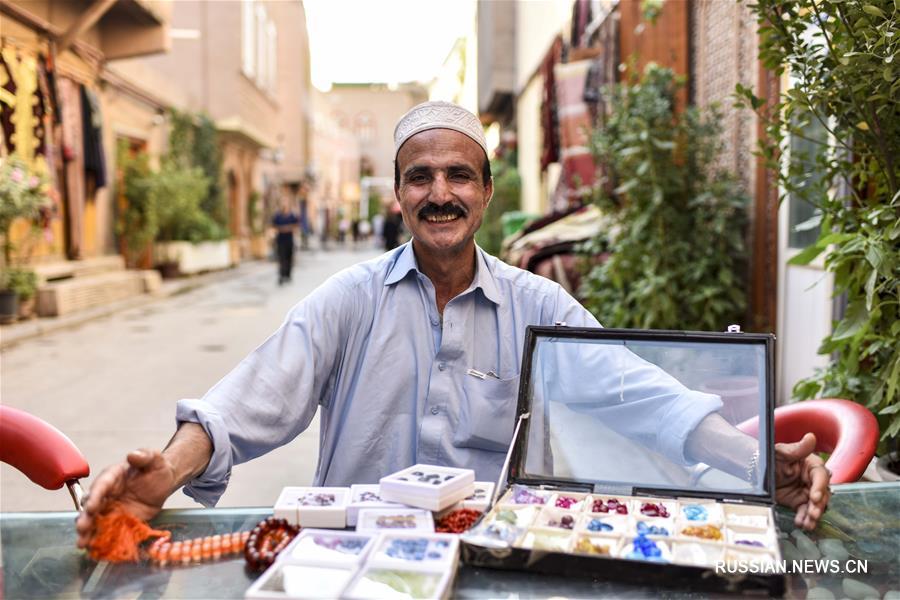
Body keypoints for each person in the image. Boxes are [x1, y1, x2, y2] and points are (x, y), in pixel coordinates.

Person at [76, 101, 830, 550]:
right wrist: (165, 472)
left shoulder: (540, 307)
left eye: (458, 175)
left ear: (486, 194)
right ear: (399, 196)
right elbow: (246, 401)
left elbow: (645, 396)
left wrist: (757, 462)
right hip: (354, 561)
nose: (440, 193)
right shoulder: (350, 299)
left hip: (493, 560)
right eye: (420, 177)